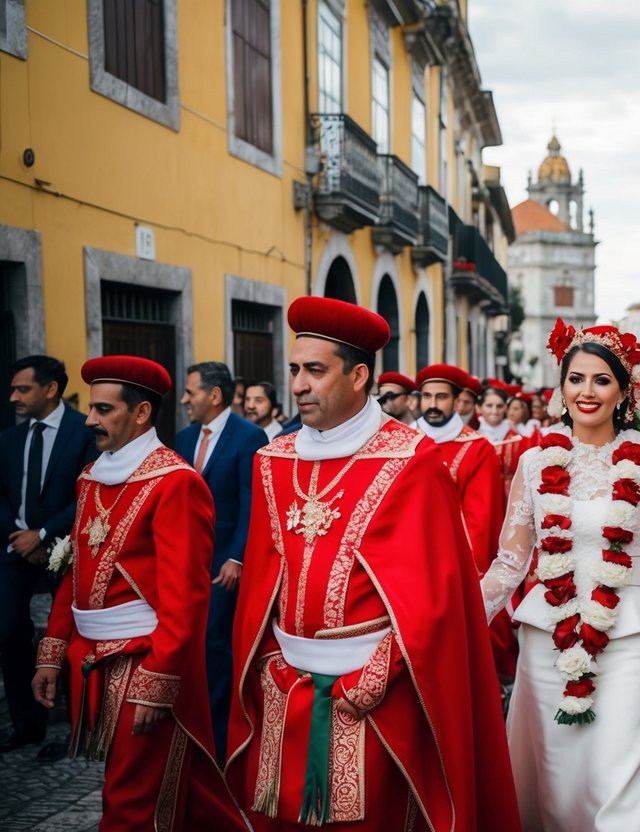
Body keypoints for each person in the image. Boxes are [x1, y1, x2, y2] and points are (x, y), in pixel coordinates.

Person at [227, 297, 518, 830]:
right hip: (285, 685)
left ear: (359, 375)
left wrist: (375, 674)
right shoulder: (271, 459)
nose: (298, 386)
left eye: (315, 371)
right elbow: (264, 582)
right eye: (294, 370)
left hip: (374, 692)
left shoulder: (413, 459)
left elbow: (436, 594)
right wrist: (271, 662)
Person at [481, 320, 640, 831]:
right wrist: (460, 615)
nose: (587, 391)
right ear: (560, 388)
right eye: (576, 378)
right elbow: (510, 562)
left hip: (628, 638)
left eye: (602, 380)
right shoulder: (535, 464)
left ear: (624, 391)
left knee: (620, 775)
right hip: (549, 642)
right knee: (560, 780)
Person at [32, 356, 245, 830]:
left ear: (142, 413)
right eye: (91, 409)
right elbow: (74, 567)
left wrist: (158, 678)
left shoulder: (176, 483)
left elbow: (186, 597)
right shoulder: (90, 477)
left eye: (104, 410)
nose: (90, 420)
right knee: (182, 791)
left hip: (143, 661)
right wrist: (52, 650)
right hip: (94, 659)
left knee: (129, 800)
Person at [1, 356, 98, 761]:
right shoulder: (8, 438)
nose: (13, 397)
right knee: (8, 632)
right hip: (14, 548)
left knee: (75, 636)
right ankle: (27, 725)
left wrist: (43, 535)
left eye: (22, 389)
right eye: (14, 389)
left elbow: (88, 490)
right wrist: (20, 535)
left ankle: (78, 729)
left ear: (51, 389)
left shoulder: (84, 431)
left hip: (65, 548)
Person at [176, 361, 268, 759]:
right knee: (185, 639)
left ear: (214, 395)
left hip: (223, 563)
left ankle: (216, 733)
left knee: (215, 642)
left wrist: (237, 557)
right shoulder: (182, 437)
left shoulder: (249, 436)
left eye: (190, 392)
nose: (183, 400)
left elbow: (253, 503)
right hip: (183, 561)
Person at [414, 364, 509, 678]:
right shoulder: (404, 440)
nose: (432, 404)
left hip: (449, 566)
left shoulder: (477, 448)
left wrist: (464, 579)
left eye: (441, 396)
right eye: (427, 396)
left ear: (457, 402)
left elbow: (480, 522)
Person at [478, 384, 529, 497]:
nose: (494, 411)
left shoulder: (515, 436)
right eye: (489, 405)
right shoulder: (473, 433)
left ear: (506, 408)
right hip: (479, 493)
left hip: (508, 495)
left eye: (499, 406)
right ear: (480, 407)